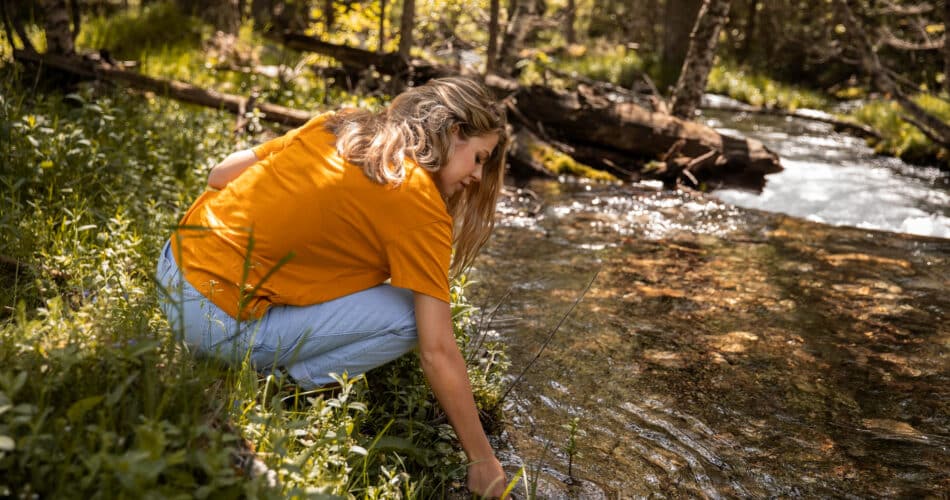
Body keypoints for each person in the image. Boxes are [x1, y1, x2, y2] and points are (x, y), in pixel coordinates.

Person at [154, 77, 509, 497]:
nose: (478, 175)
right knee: (411, 318)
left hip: (173, 269)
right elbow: (438, 350)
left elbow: (220, 175)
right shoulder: (419, 203)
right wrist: (482, 460)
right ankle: (280, 387)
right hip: (209, 321)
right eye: (479, 158)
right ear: (453, 133)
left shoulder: (341, 124)